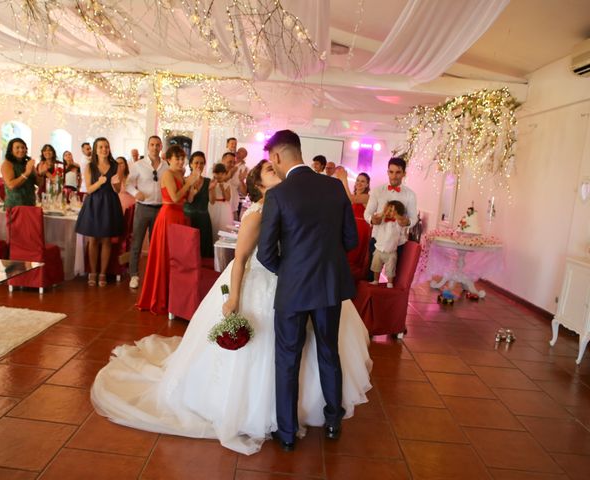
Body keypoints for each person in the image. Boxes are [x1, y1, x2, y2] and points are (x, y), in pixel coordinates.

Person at [90, 159, 372, 456]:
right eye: (270, 172)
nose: (278, 174)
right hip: (266, 285)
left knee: (304, 349)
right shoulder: (257, 213)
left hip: (296, 285)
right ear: (260, 186)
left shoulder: (291, 201)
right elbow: (241, 261)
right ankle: (259, 411)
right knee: (273, 351)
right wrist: (234, 298)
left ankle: (305, 411)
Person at [257, 130, 358, 451]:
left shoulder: (278, 195)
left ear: (276, 157)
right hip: (329, 285)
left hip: (294, 289)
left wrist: (288, 272)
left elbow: (265, 252)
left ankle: (286, 433)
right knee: (329, 351)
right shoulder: (333, 187)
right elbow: (351, 240)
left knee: (287, 358)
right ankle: (332, 422)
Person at [136, 145, 200, 313]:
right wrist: (189, 183)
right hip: (168, 216)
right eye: (177, 158)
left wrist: (193, 186)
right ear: (169, 159)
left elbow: (188, 199)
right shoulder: (168, 174)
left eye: (182, 158)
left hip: (180, 216)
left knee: (179, 259)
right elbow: (174, 197)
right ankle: (161, 297)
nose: (180, 161)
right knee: (166, 257)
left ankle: (176, 299)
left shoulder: (181, 174)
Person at [75, 137, 124, 287]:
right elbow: (88, 189)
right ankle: (92, 272)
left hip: (109, 203)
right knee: (93, 240)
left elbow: (117, 190)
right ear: (96, 149)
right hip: (94, 203)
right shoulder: (90, 166)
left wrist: (115, 185)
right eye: (101, 147)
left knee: (107, 240)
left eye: (106, 147)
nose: (104, 149)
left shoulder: (117, 166)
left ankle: (102, 273)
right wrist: (100, 182)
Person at [126, 135, 168, 290]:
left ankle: (154, 276)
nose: (155, 147)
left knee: (156, 244)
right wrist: (135, 192)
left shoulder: (166, 166)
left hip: (160, 209)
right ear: (148, 146)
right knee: (136, 242)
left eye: (157, 145)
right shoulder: (138, 165)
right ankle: (134, 275)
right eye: (152, 144)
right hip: (143, 207)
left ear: (161, 146)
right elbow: (128, 183)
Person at [363, 157, 417, 251]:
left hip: (398, 243)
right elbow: (367, 213)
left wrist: (407, 222)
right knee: (373, 266)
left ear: (404, 174)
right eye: (391, 172)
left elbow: (414, 218)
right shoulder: (377, 191)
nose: (394, 176)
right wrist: (371, 219)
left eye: (398, 172)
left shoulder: (410, 195)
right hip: (377, 240)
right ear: (387, 172)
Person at [1, 138, 49, 209]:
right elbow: (11, 185)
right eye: (17, 148)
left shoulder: (28, 163)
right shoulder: (7, 164)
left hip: (30, 204)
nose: (21, 150)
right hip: (14, 206)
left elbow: (39, 184)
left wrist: (41, 174)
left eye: (23, 147)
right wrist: (26, 173)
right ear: (11, 150)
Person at [369, 200, 406, 288]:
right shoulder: (381, 220)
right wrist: (383, 213)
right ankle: (375, 280)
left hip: (391, 251)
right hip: (379, 249)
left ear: (398, 213)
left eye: (391, 210)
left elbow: (402, 234)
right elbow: (376, 219)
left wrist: (397, 217)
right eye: (387, 210)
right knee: (376, 266)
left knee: (391, 268)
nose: (388, 212)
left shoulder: (398, 223)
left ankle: (390, 282)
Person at [184, 151, 213, 258]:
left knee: (203, 251)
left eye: (201, 163)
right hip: (188, 217)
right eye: (196, 163)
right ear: (191, 164)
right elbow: (188, 200)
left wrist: (211, 190)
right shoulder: (185, 180)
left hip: (203, 218)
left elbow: (212, 201)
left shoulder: (208, 181)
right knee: (188, 250)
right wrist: (192, 190)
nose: (199, 165)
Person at [208, 163, 232, 242]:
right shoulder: (211, 183)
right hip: (213, 206)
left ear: (225, 174)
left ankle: (221, 244)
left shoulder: (227, 185)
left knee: (223, 226)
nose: (220, 176)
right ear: (214, 173)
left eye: (222, 174)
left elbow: (228, 198)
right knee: (213, 225)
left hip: (224, 207)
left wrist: (222, 189)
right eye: (217, 173)